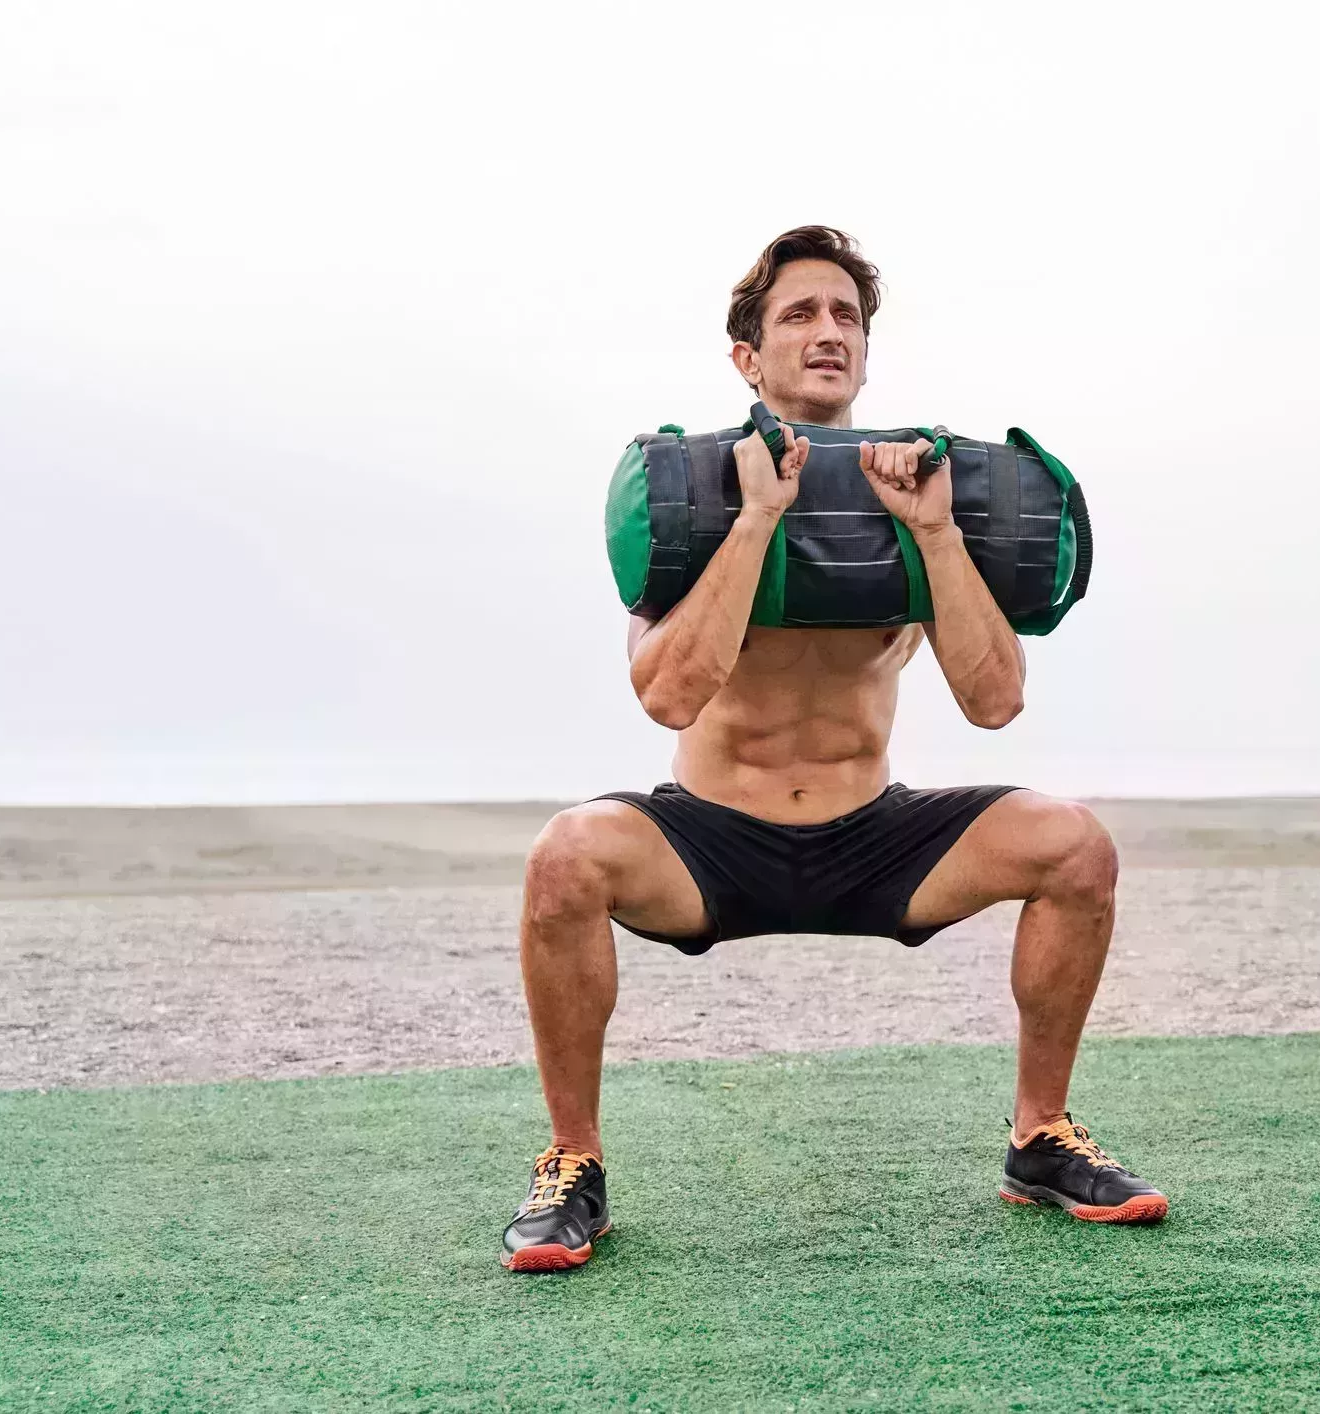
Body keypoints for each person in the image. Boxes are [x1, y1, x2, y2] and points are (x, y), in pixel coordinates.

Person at [499, 226, 1164, 1272]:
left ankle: (1039, 1136)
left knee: (1074, 845)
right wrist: (759, 516)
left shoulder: (928, 490)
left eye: (846, 315)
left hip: (871, 835)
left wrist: (935, 533)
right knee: (564, 858)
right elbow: (668, 695)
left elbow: (995, 702)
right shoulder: (688, 497)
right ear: (746, 357)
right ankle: (572, 1163)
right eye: (799, 314)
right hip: (710, 840)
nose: (827, 332)